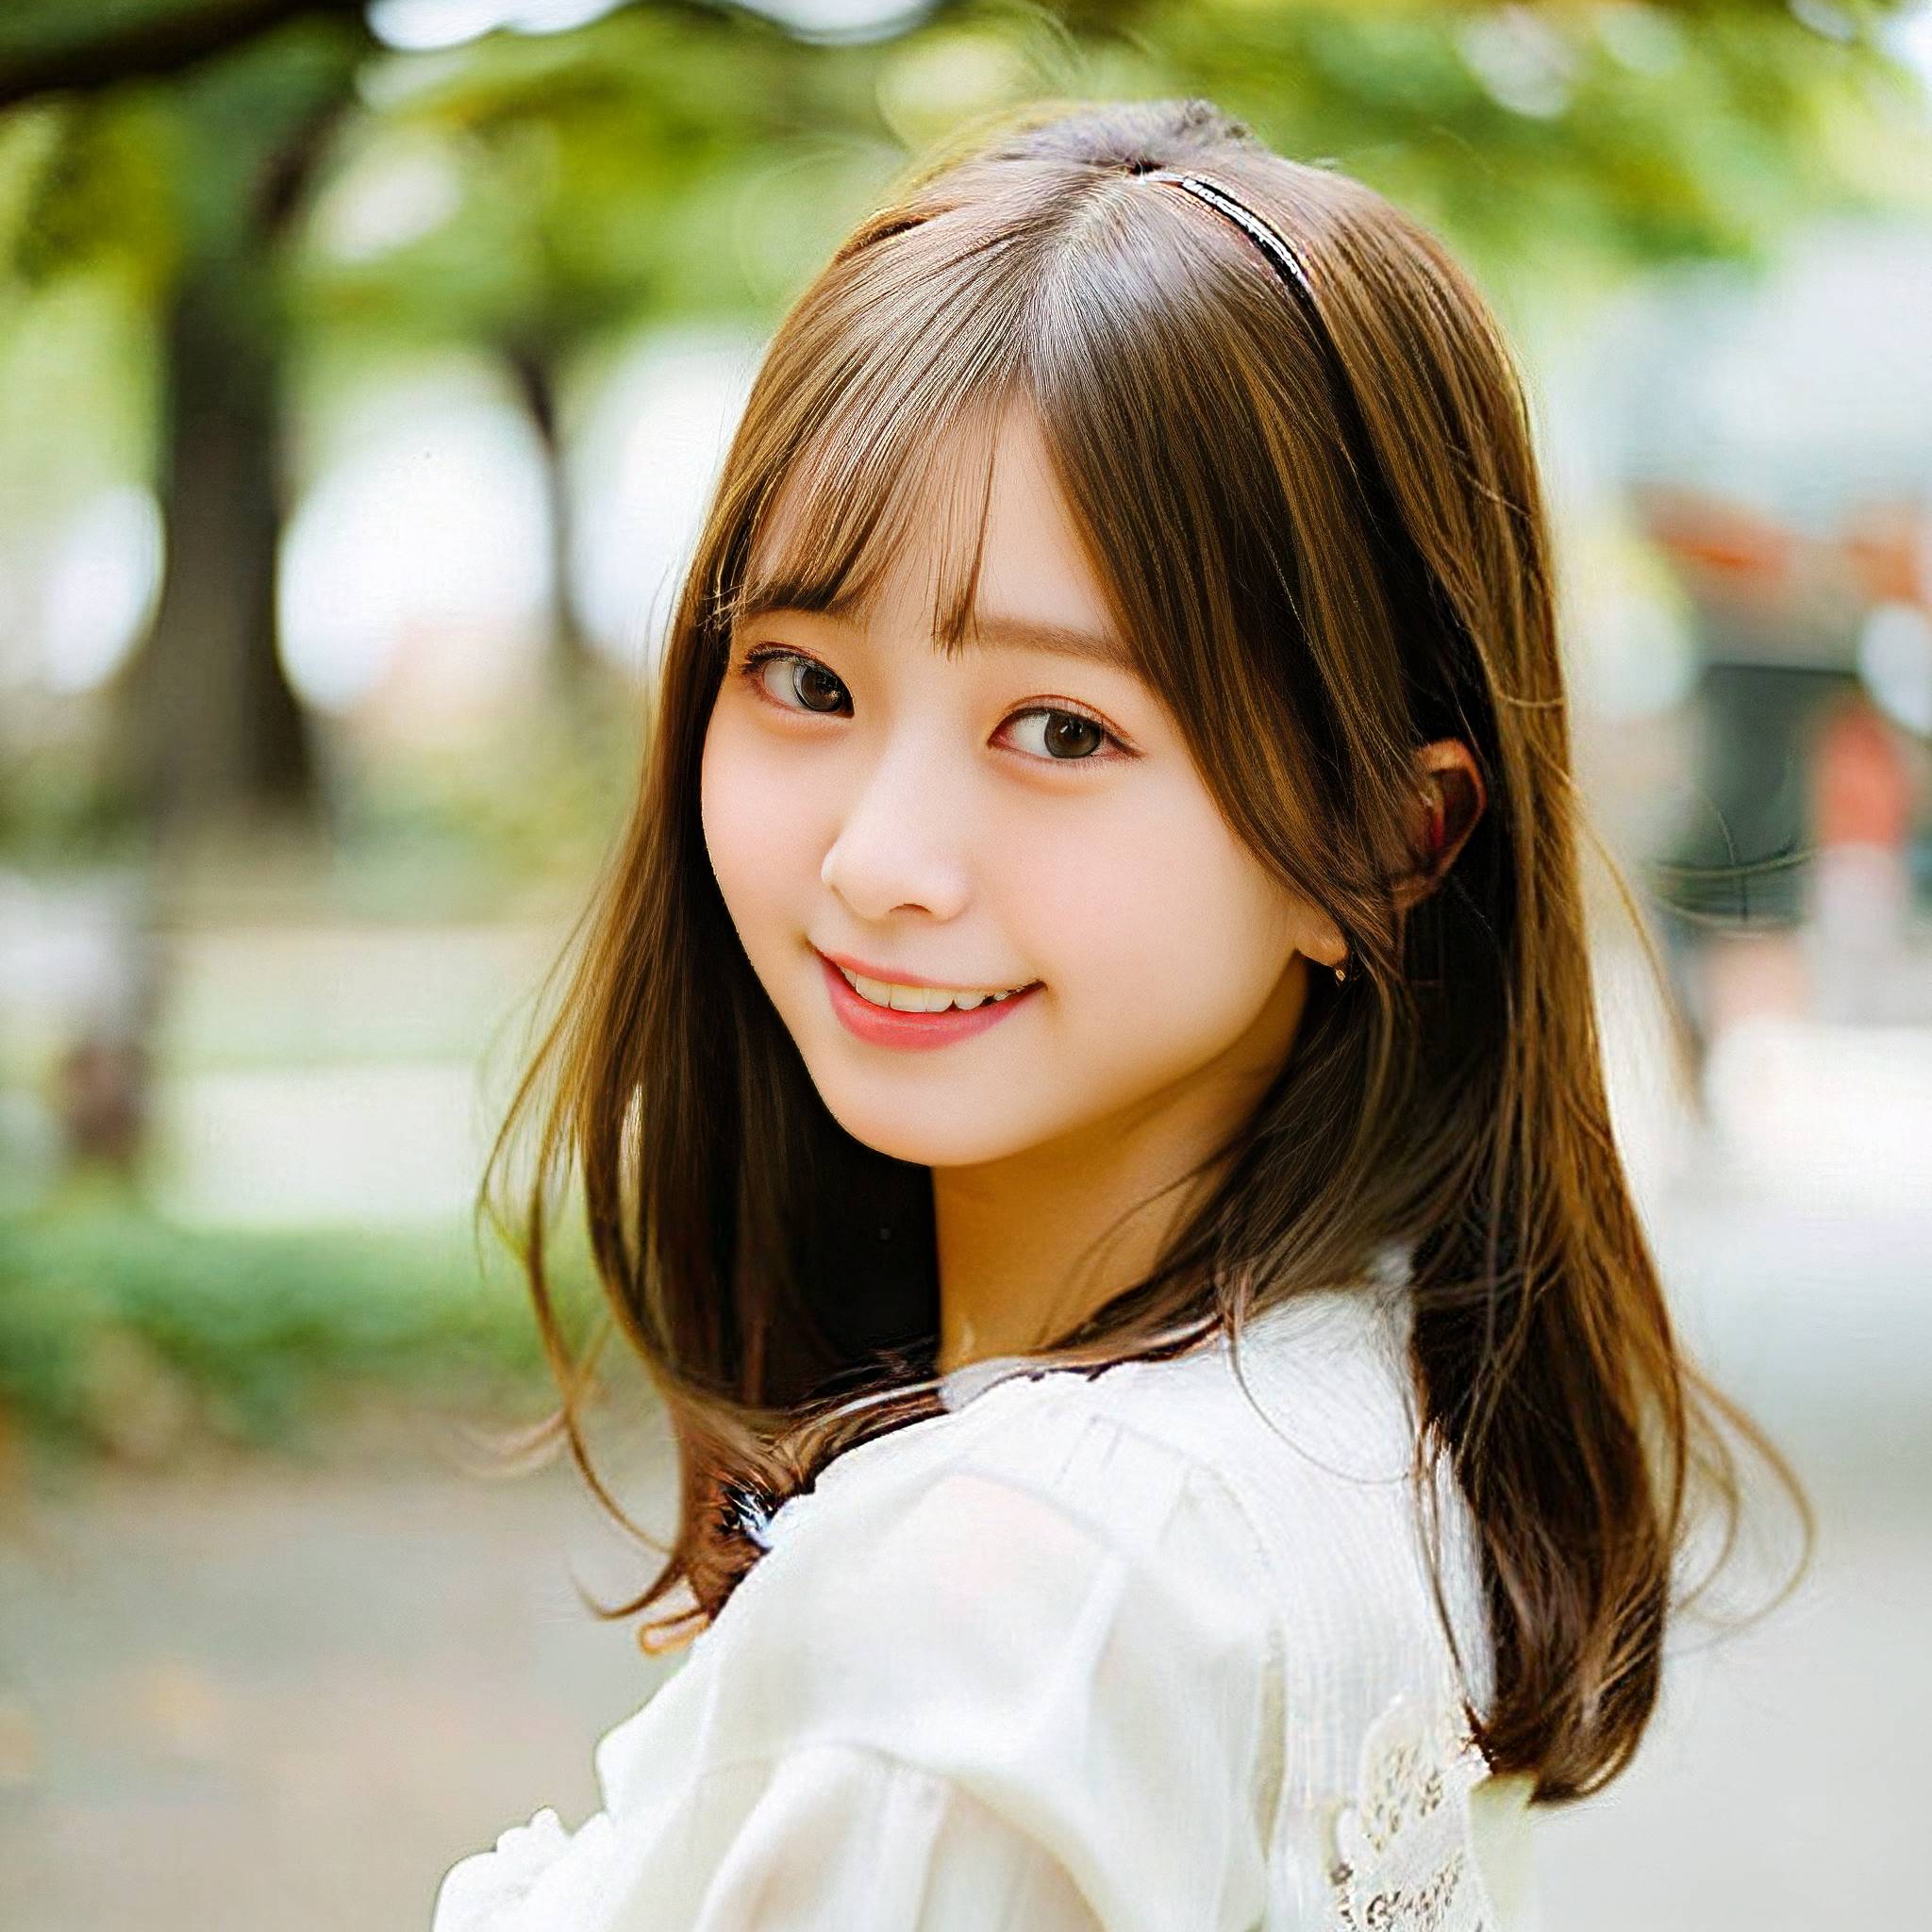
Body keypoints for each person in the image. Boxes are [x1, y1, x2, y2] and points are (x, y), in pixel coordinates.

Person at [431, 97, 1806, 1931]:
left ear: (1389, 844)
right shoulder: (1345, 1405)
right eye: (803, 677)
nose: (879, 859)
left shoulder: (1019, 1595)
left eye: (1061, 728)